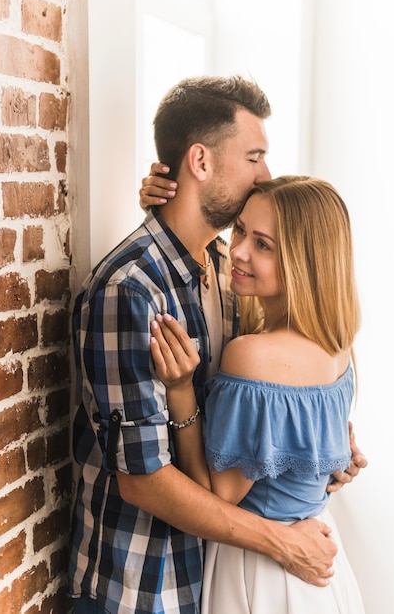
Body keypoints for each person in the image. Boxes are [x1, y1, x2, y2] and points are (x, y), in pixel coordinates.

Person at [69, 75, 366, 614]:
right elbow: (145, 482)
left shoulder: (227, 272)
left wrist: (316, 456)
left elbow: (256, 418)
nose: (266, 173)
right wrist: (280, 539)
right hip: (144, 587)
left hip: (216, 571)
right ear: (201, 162)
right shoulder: (131, 290)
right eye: (254, 156)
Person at [149, 175, 366, 613]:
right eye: (241, 230)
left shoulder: (253, 356)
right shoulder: (339, 346)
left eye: (263, 245)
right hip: (320, 568)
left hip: (261, 572)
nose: (239, 251)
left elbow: (215, 495)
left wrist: (180, 393)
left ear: (306, 261)